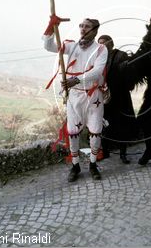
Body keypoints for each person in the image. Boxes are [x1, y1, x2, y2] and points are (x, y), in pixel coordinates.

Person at [43, 18, 108, 182]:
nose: (82, 28)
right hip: (74, 96)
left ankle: (93, 165)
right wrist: (51, 27)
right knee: (72, 132)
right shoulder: (71, 46)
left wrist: (77, 79)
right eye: (81, 26)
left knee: (95, 132)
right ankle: (75, 165)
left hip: (93, 97)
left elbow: (98, 71)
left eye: (87, 26)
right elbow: (48, 46)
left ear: (95, 30)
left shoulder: (101, 49)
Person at [97, 35, 137, 164]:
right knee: (104, 124)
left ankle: (123, 154)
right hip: (104, 97)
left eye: (104, 43)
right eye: (100, 43)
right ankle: (106, 151)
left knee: (122, 125)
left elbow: (129, 74)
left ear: (111, 43)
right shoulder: (98, 58)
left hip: (120, 96)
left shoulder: (121, 55)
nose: (102, 45)